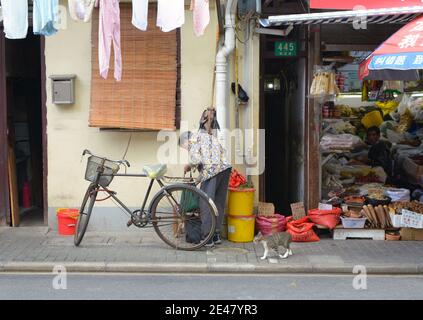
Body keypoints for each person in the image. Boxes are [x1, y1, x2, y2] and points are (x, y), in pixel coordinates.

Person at [179, 129, 232, 247]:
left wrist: (189, 166)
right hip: (225, 168)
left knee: (206, 203)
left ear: (186, 140)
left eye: (184, 147)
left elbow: (196, 159)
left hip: (212, 171)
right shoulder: (206, 136)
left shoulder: (193, 139)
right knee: (218, 202)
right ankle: (216, 234)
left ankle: (207, 237)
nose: (186, 149)